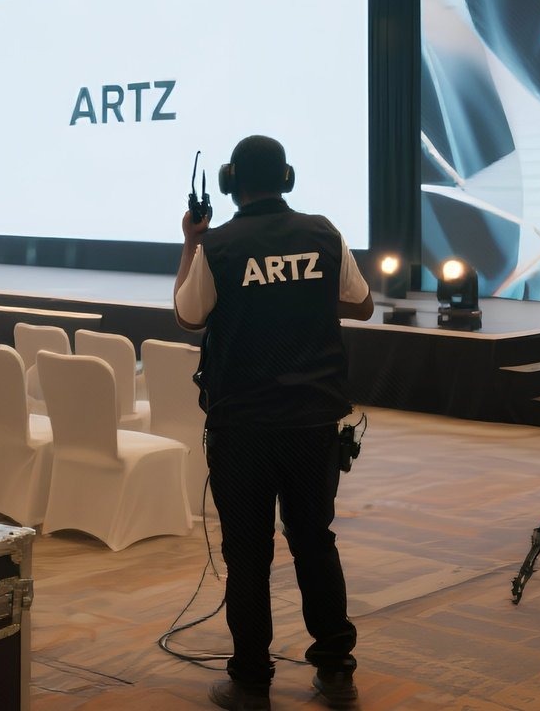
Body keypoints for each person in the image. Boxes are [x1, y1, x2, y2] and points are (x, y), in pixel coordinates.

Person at [174, 135, 373, 710]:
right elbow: (361, 305)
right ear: (287, 178)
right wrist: (298, 295)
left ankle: (252, 678)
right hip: (313, 424)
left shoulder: (220, 244)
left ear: (231, 181)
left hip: (243, 430)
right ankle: (335, 667)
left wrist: (190, 245)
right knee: (315, 542)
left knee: (248, 552)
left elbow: (189, 317)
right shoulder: (323, 233)